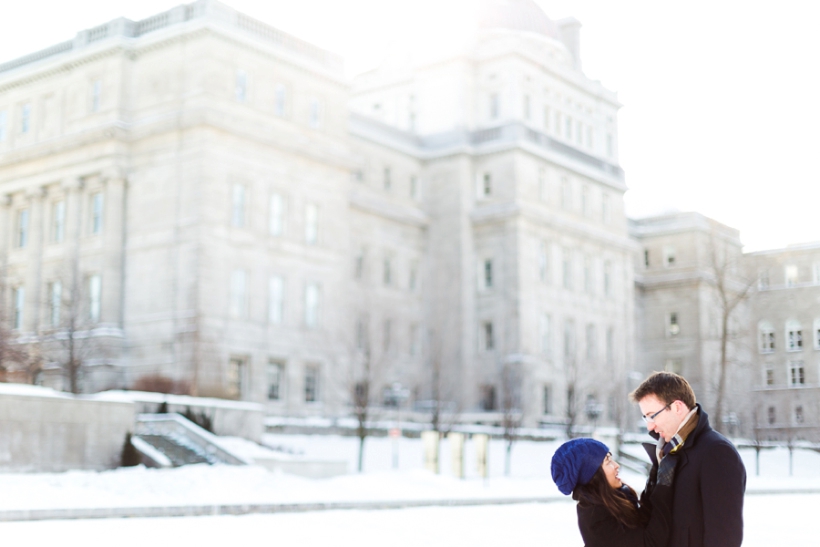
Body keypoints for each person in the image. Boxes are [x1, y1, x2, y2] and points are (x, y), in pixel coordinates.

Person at [630, 371, 746, 547]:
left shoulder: (716, 452)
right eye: (645, 417)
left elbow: (724, 536)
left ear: (677, 407)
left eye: (653, 415)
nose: (650, 426)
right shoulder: (666, 452)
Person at [551, 437, 679, 547]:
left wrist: (656, 473)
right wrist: (664, 483)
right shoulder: (596, 516)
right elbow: (649, 543)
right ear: (593, 475)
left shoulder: (614, 499)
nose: (616, 465)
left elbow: (644, 519)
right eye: (608, 461)